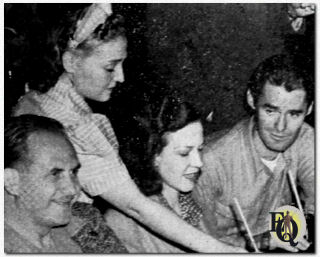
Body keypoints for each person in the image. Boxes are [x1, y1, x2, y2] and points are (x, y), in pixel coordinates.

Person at [12, 4, 243, 252]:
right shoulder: (72, 124)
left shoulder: (44, 100)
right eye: (110, 67)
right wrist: (223, 251)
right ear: (70, 61)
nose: (120, 77)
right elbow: (136, 206)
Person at [193, 54, 314, 252]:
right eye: (271, 111)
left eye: (293, 114)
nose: (281, 127)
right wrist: (265, 242)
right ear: (251, 100)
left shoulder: (306, 138)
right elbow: (200, 246)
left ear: (309, 109)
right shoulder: (211, 161)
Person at [106, 96, 239, 252]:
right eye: (184, 153)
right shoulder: (124, 222)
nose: (199, 162)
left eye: (200, 149)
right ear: (154, 155)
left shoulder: (193, 200)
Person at [4, 115, 82, 253]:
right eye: (55, 174)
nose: (72, 190)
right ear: (11, 182)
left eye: (73, 172)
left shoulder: (84, 226)